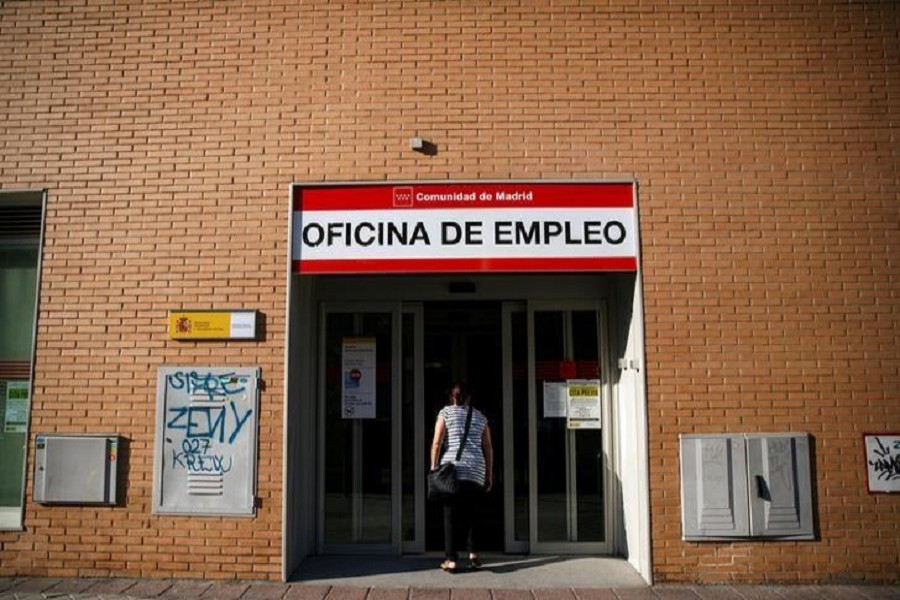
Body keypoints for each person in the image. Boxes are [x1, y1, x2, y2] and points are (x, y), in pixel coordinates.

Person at [429, 381, 493, 573]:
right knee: (472, 513)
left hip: (453, 471)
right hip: (476, 470)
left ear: (452, 398)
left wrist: (434, 467)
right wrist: (488, 474)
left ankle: (451, 559)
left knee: (450, 515)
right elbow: (488, 447)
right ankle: (473, 555)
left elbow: (437, 442)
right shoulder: (481, 417)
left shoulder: (445, 413)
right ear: (468, 398)